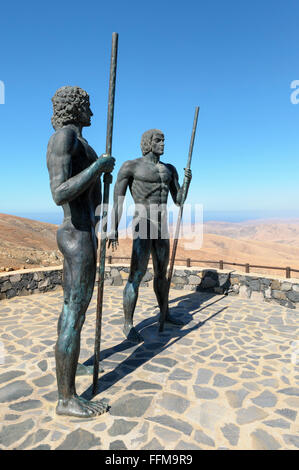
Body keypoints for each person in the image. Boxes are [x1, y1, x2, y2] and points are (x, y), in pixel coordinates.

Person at [47, 86, 115, 417]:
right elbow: (60, 193)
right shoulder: (63, 138)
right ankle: (66, 399)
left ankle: (69, 374)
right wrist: (97, 169)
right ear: (76, 108)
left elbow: (91, 194)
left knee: (74, 313)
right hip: (75, 235)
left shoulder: (80, 142)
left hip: (86, 233)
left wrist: (101, 181)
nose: (92, 112)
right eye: (87, 106)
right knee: (74, 314)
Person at [108, 129, 191, 343]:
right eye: (158, 140)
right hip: (142, 224)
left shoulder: (170, 169)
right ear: (147, 143)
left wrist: (187, 183)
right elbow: (118, 199)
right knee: (136, 275)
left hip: (161, 226)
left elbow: (179, 200)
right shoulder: (131, 166)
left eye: (164, 139)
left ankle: (166, 313)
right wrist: (113, 227)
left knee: (162, 274)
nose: (163, 143)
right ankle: (128, 323)